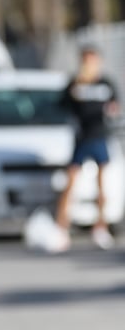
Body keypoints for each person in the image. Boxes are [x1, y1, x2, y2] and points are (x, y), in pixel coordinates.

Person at [53, 43, 120, 252]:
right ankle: (61, 228)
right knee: (70, 183)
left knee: (103, 184)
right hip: (82, 138)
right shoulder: (74, 82)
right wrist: (74, 91)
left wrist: (113, 109)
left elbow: (115, 105)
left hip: (100, 136)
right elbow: (61, 106)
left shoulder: (106, 83)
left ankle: (101, 227)